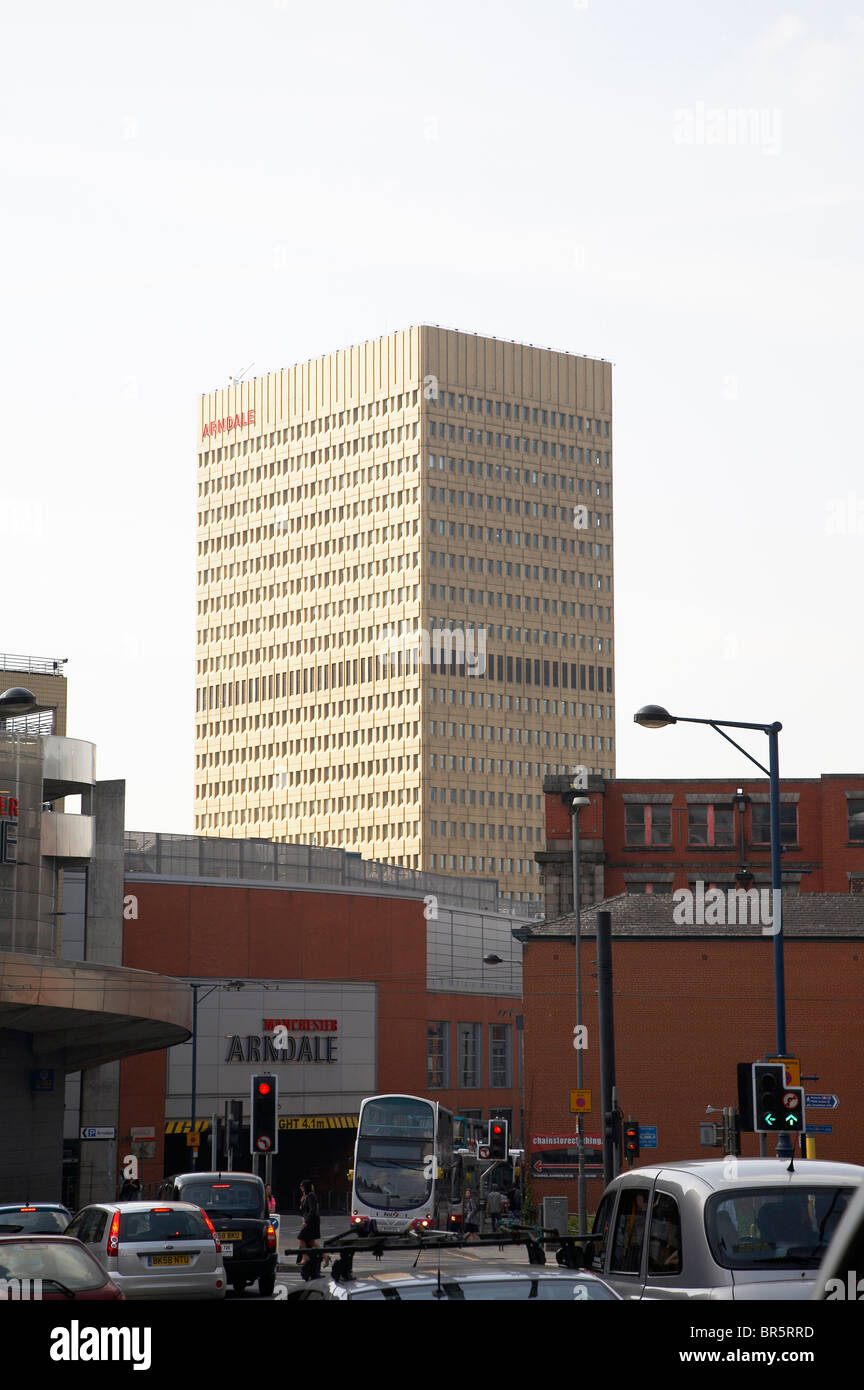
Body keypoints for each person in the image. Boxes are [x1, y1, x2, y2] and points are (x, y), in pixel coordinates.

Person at [298, 1179, 328, 1275]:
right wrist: (302, 1201)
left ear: (306, 1186)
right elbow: (302, 1211)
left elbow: (312, 1210)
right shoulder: (305, 1197)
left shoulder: (311, 1196)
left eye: (302, 1186)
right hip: (309, 1221)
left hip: (312, 1222)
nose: (301, 1188)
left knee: (301, 1237)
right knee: (311, 1241)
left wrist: (306, 1222)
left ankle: (305, 1256)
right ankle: (325, 1256)